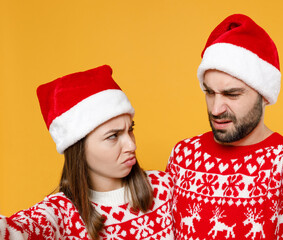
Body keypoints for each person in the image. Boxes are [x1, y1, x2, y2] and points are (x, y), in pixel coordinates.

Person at [165, 14, 283, 239]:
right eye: (209, 92)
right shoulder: (183, 155)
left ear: (264, 96)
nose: (216, 108)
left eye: (232, 94)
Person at [0, 65, 174, 240]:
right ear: (78, 148)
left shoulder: (163, 187)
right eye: (113, 136)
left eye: (130, 129)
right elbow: (17, 231)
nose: (131, 145)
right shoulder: (59, 214)